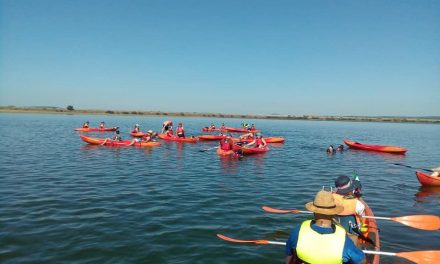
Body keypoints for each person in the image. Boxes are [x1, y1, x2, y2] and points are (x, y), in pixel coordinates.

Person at [285, 190, 365, 264]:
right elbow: (362, 261)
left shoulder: (299, 230)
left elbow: (289, 254)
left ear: (314, 211)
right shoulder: (344, 240)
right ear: (334, 213)